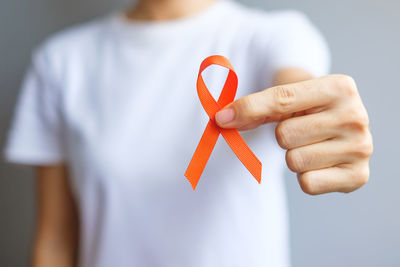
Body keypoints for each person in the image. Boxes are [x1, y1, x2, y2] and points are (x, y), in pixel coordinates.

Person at [4, 0, 373, 266]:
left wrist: (321, 116)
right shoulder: (59, 63)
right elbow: (54, 240)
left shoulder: (273, 36)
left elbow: (298, 86)